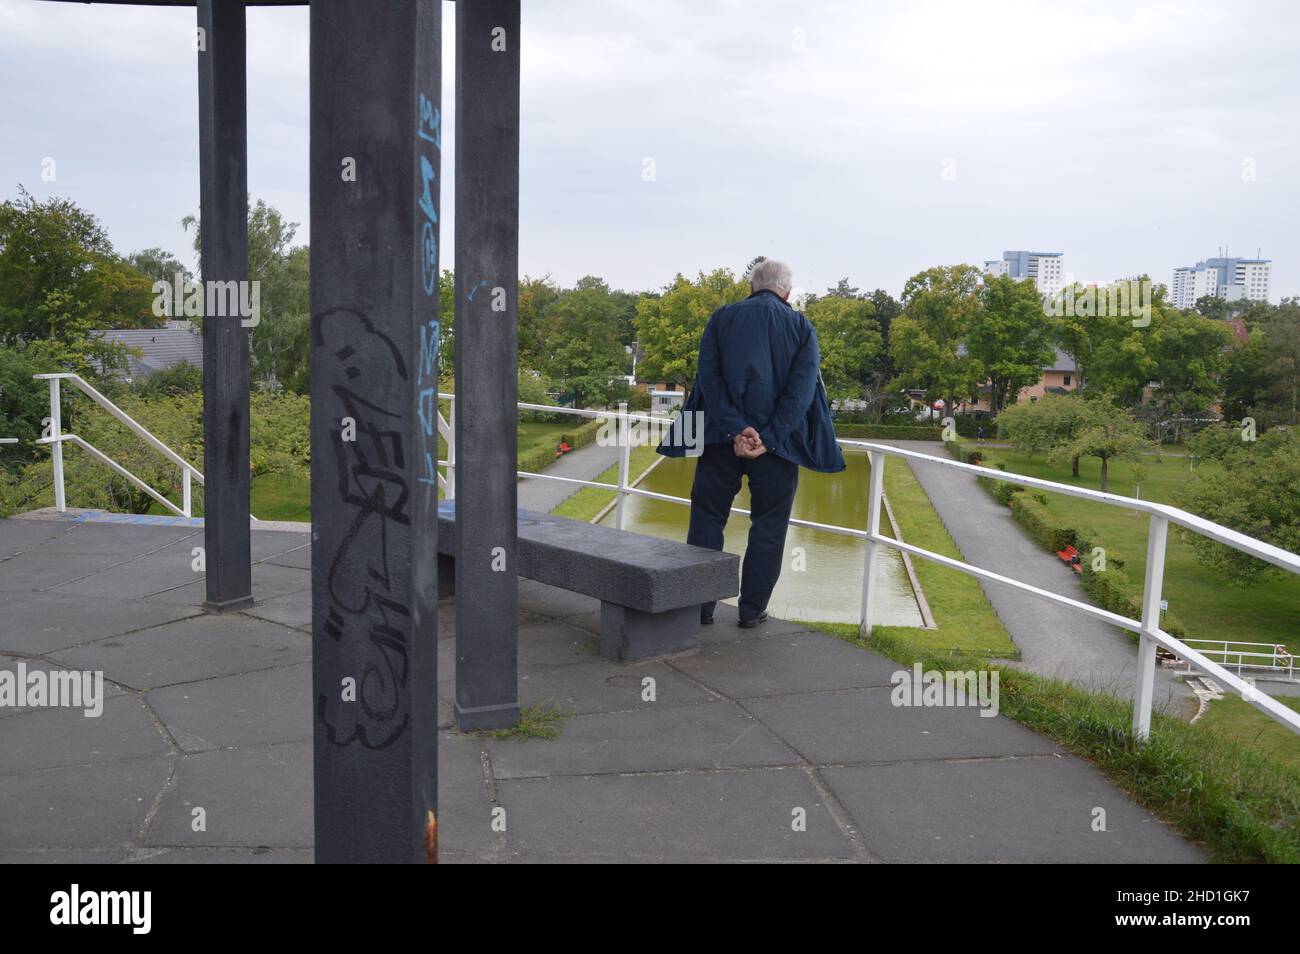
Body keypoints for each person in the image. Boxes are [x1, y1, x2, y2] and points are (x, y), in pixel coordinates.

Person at [656, 258, 845, 627]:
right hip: (777, 451)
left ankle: (701, 607)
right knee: (768, 528)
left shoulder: (721, 318)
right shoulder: (802, 327)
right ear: (787, 292)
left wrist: (734, 430)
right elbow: (802, 392)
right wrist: (768, 438)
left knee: (707, 521)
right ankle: (751, 611)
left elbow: (707, 380)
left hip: (716, 441)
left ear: (751, 286)